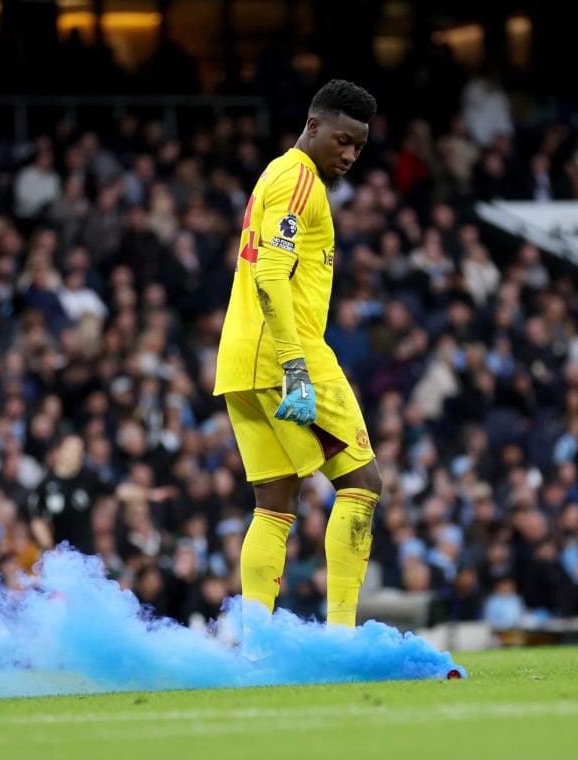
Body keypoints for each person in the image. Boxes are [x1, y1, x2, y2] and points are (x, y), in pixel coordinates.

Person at [214, 79, 382, 629]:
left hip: (240, 359)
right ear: (313, 126)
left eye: (358, 146)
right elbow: (270, 274)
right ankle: (341, 635)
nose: (350, 155)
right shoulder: (298, 181)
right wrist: (294, 365)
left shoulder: (278, 176)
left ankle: (254, 641)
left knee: (275, 503)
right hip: (286, 355)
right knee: (362, 482)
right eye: (343, 140)